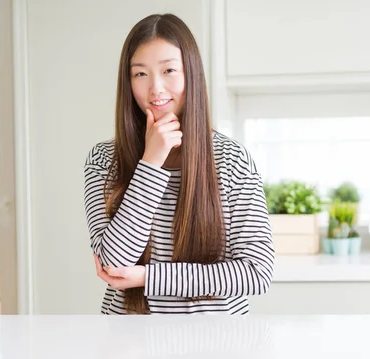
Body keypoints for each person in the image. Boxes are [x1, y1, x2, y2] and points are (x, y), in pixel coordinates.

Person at [83, 13, 275, 315]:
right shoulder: (104, 160)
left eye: (169, 70)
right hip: (130, 342)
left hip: (218, 343)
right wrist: (151, 161)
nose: (156, 88)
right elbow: (115, 262)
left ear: (191, 74)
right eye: (140, 74)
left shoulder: (232, 159)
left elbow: (257, 271)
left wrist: (149, 278)